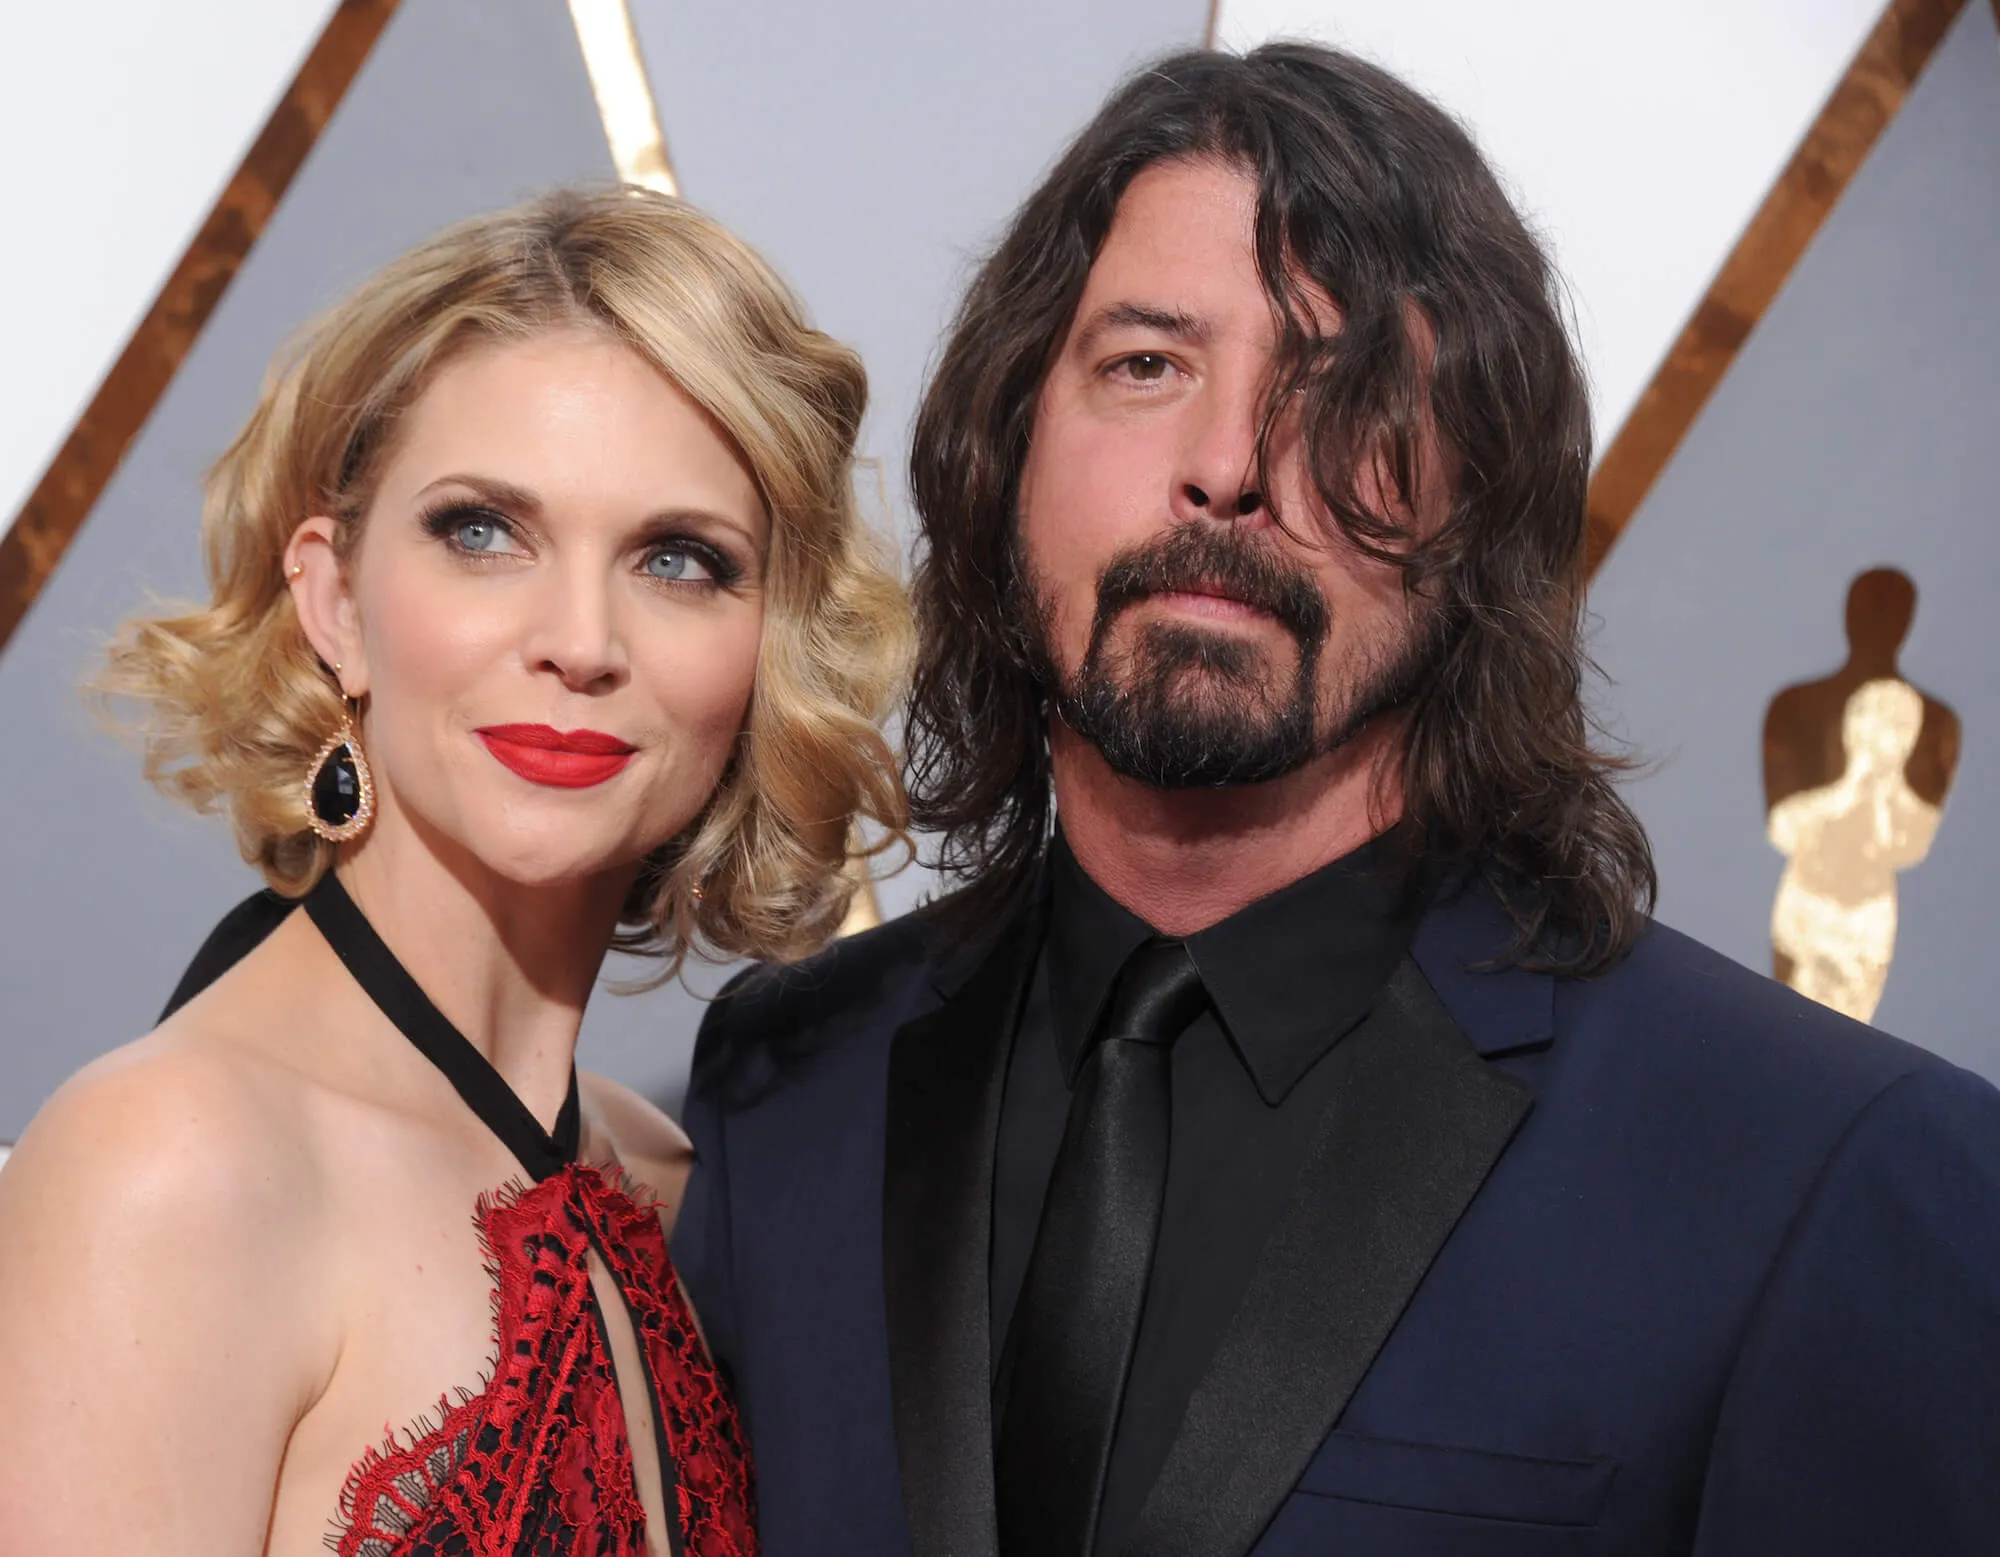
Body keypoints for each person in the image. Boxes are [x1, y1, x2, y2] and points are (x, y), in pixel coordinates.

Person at [673, 43, 2000, 1557]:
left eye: (1343, 386)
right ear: (1004, 455)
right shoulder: (788, 1091)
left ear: (1478, 506)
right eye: (1146, 364)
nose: (1228, 465)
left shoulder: (1828, 1175)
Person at [0, 186, 909, 1556]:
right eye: (484, 530)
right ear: (333, 598)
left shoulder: (678, 1189)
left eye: (679, 560)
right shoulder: (173, 1171)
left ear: (764, 650)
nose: (579, 638)